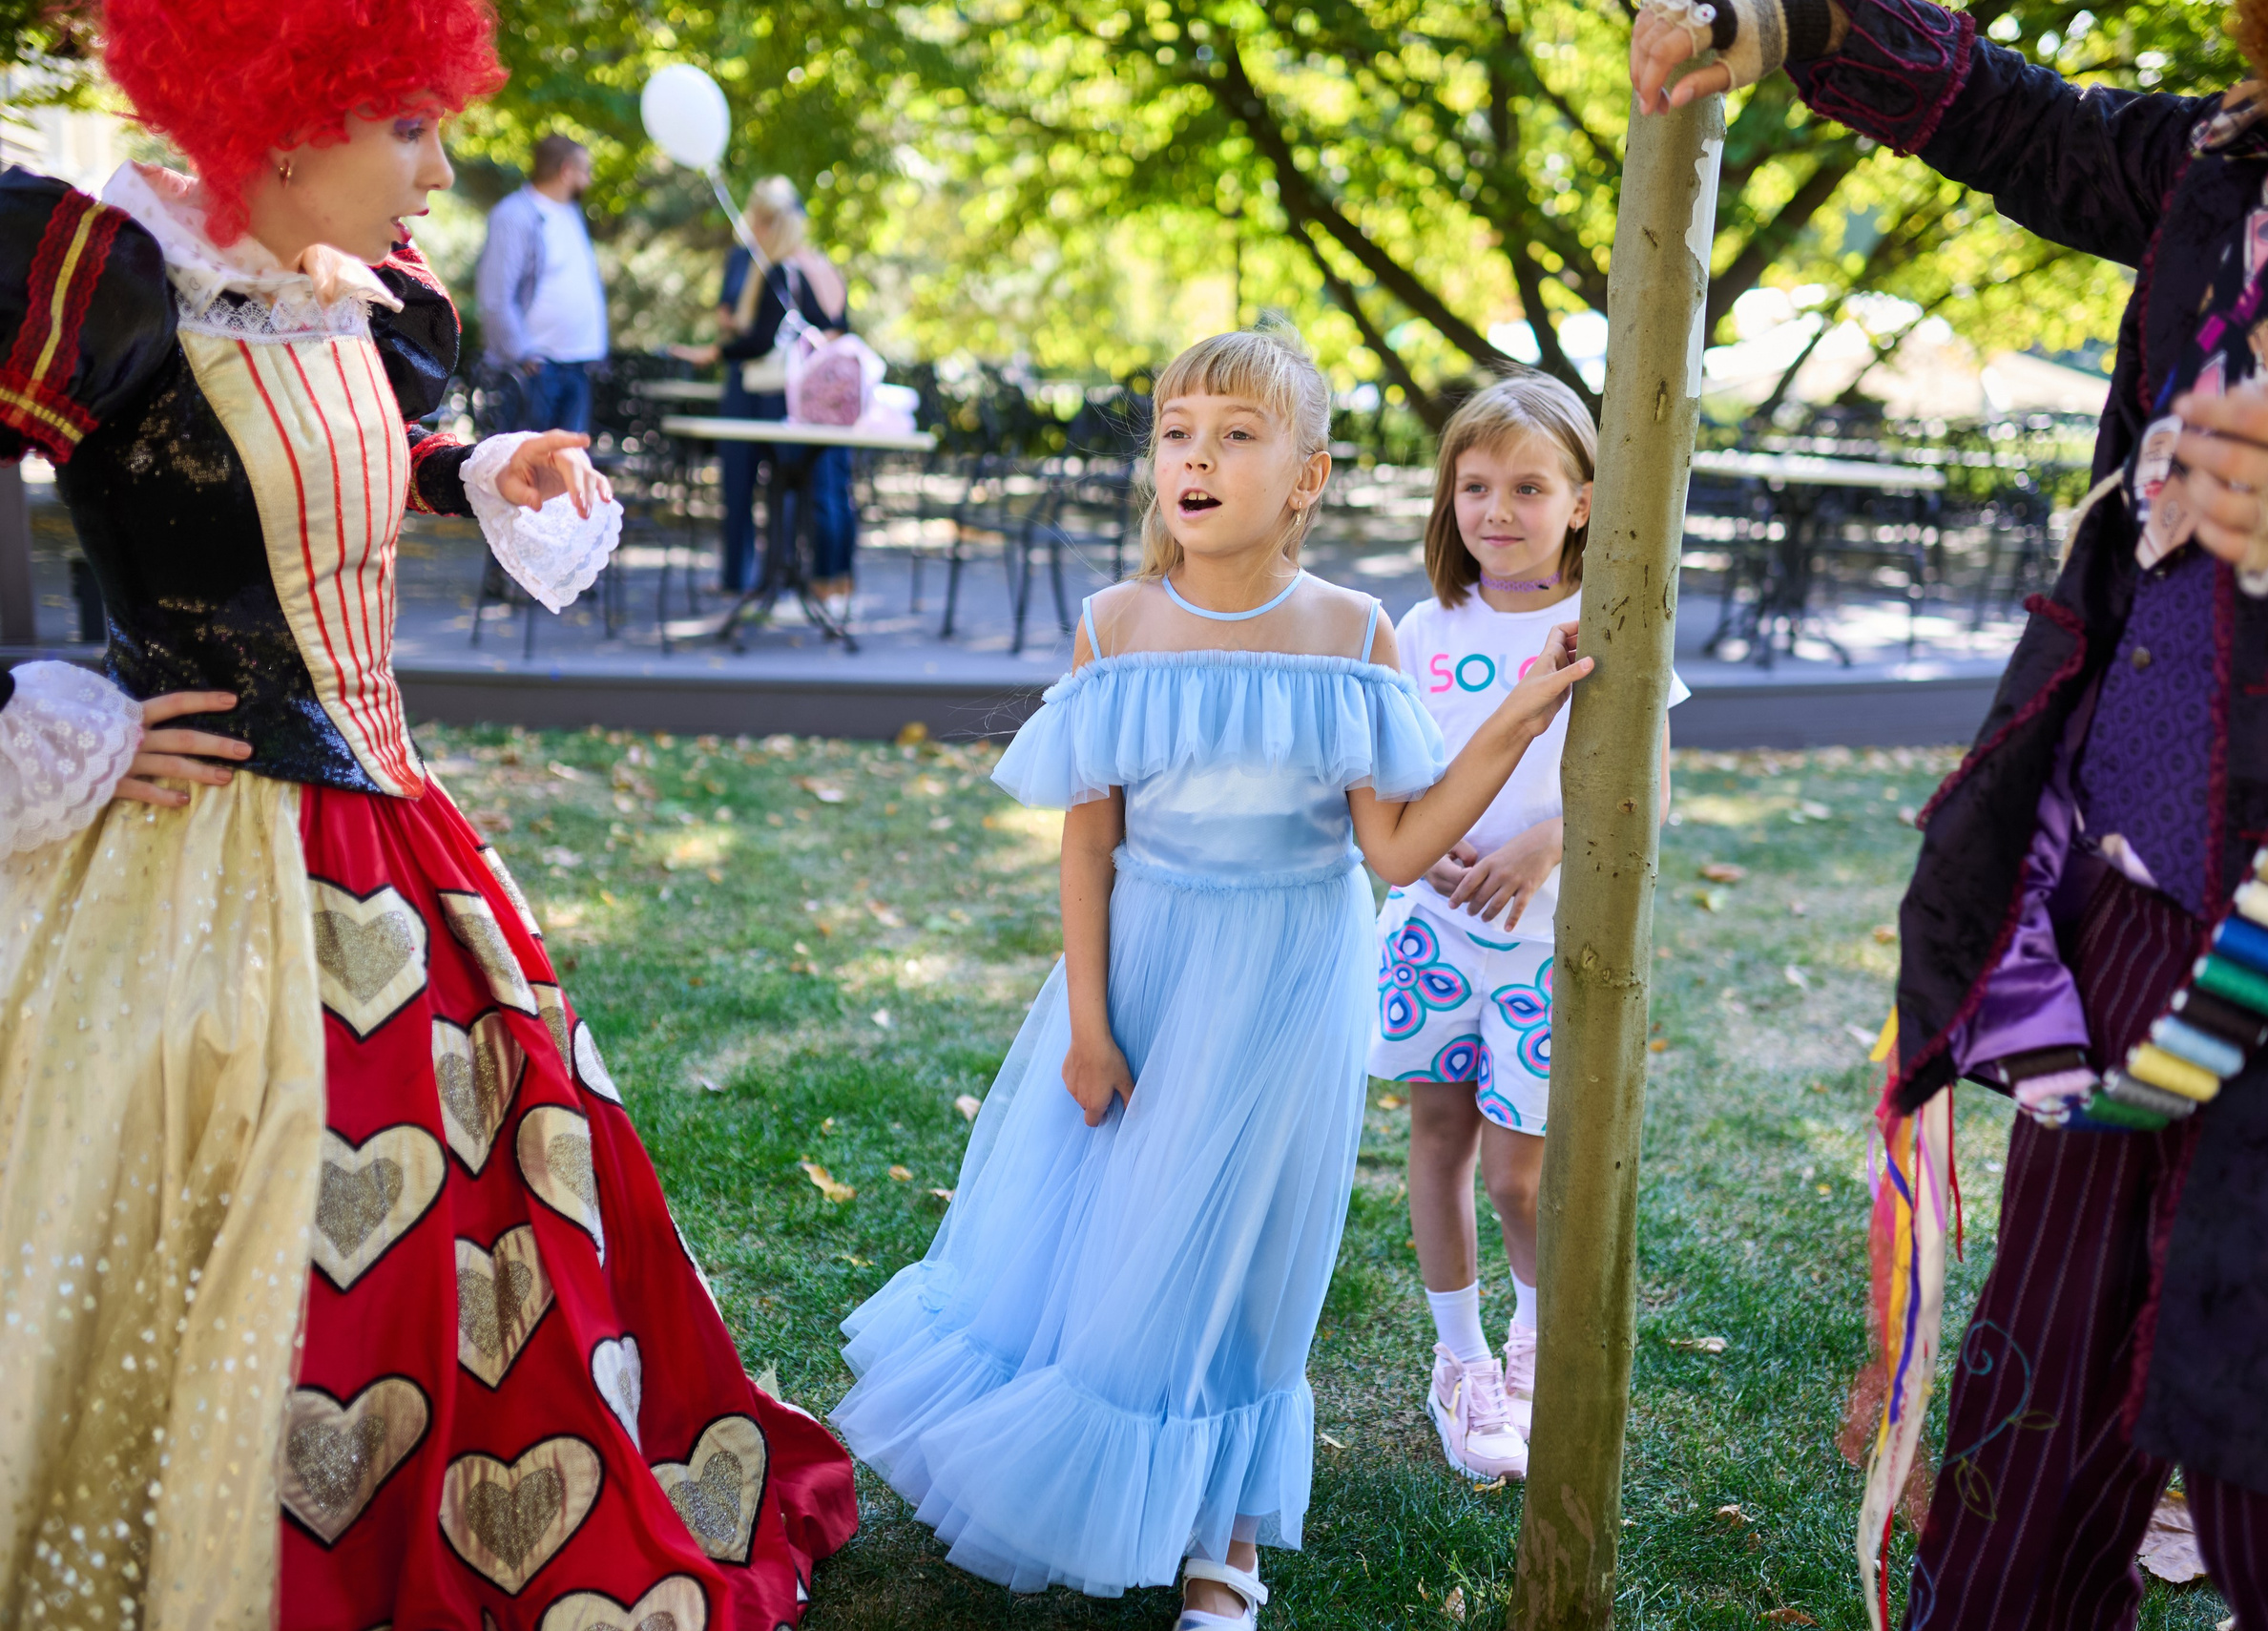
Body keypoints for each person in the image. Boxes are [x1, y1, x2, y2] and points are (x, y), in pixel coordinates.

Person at [0, 0, 857, 1624]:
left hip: (393, 834)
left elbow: (330, 452)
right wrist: (37, 706)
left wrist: (472, 468)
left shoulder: (371, 304)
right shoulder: (96, 277)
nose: (446, 164)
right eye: (408, 123)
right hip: (191, 852)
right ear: (283, 113)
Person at [1631, 0, 2268, 1625]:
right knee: (2030, 1443)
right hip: (2126, 909)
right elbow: (2025, 122)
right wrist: (1792, 25)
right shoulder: (2237, 157)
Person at [826, 329, 1591, 1628]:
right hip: (1146, 967)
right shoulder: (1114, 625)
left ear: (1307, 477)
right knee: (1125, 1226)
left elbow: (1395, 846)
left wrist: (1516, 724)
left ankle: (1226, 1540)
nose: (1198, 456)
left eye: (1238, 435)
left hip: (1294, 972)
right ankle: (1111, 1470)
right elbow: (1088, 840)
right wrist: (1086, 1019)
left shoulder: (1351, 630)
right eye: (1178, 431)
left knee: (1255, 1246)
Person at [1370, 372, 1689, 1483]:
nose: (1495, 509)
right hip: (1433, 930)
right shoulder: (1419, 626)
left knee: (1519, 1173)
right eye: (1473, 486)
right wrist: (1434, 842)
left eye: (1526, 486)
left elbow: (1646, 784)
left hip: (1549, 941)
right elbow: (1398, 777)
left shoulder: (1606, 627)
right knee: (1439, 1140)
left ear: (1585, 499)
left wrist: (1544, 843)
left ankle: (1533, 1341)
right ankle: (1457, 1362)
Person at [673, 176, 854, 601]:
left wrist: (720, 350)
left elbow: (767, 338)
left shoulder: (790, 270)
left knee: (796, 490)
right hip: (785, 390)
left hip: (781, 391)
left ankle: (790, 582)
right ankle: (802, 582)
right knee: (802, 490)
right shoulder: (783, 264)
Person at [475, 132, 608, 436]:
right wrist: (521, 354)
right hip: (537, 369)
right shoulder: (514, 214)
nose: (588, 180)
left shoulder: (572, 214)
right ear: (566, 171)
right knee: (528, 472)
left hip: (577, 366)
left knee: (564, 474)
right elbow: (495, 295)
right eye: (585, 171)